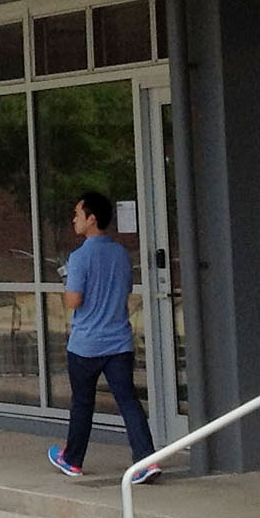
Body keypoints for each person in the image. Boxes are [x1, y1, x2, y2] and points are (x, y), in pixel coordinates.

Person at [48, 190, 160, 483]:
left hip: (85, 344)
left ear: (91, 218)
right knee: (128, 402)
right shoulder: (121, 254)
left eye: (77, 214)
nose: (74, 219)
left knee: (83, 403)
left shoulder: (80, 257)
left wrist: (67, 281)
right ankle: (146, 460)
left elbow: (74, 300)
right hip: (119, 341)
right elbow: (124, 291)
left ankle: (72, 460)